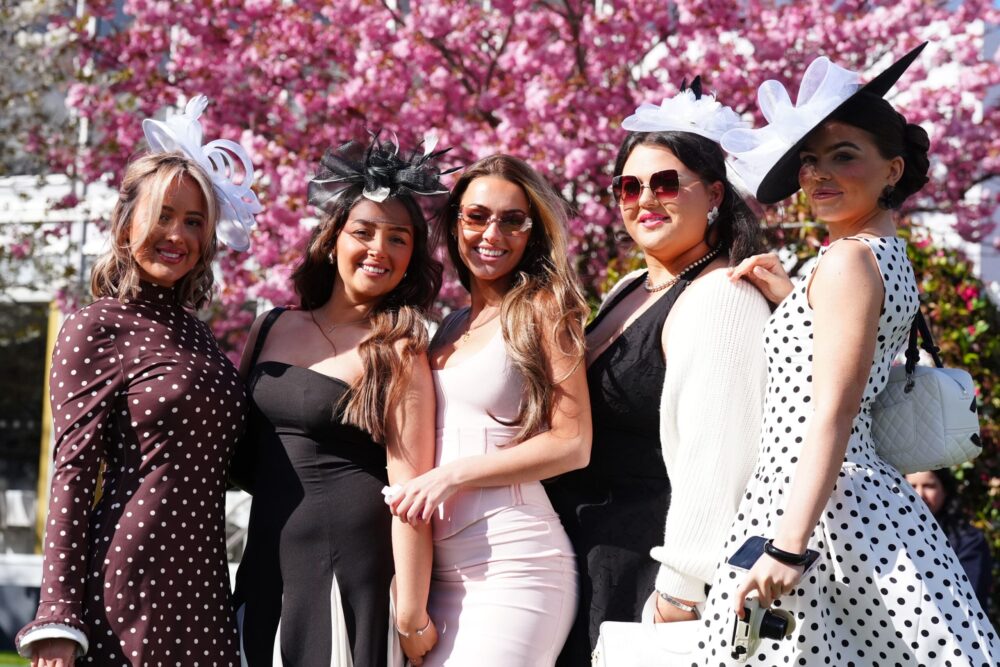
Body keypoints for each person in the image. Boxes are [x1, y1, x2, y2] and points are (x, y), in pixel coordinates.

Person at [701, 44, 1000, 664]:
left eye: (844, 156)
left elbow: (832, 413)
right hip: (846, 504)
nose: (818, 175)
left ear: (892, 170)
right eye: (810, 161)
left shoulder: (848, 261)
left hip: (821, 510)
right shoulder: (874, 256)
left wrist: (788, 545)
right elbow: (839, 355)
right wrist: (790, 297)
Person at [15, 95, 261, 666]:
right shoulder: (96, 326)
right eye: (164, 215)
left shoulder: (201, 337)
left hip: (203, 587)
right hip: (128, 583)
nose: (177, 234)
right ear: (127, 223)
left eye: (194, 221)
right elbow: (72, 471)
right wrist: (57, 614)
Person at [544, 79, 772, 664]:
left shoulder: (722, 294)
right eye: (628, 186)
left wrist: (679, 592)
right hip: (585, 551)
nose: (645, 199)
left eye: (666, 183)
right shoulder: (631, 288)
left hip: (645, 571)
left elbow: (716, 457)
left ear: (715, 193)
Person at [231, 134, 450, 666]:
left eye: (399, 239)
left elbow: (411, 493)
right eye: (364, 232)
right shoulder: (269, 327)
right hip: (265, 560)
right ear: (332, 239)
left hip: (349, 575)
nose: (380, 249)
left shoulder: (400, 348)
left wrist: (411, 615)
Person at [384, 154, 590, 666]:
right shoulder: (449, 325)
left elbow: (573, 443)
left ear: (531, 231)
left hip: (517, 566)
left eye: (512, 220)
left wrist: (452, 476)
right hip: (442, 578)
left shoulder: (543, 307)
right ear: (455, 225)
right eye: (476, 217)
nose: (491, 233)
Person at [906, 469, 993, 610]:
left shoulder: (968, 540)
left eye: (929, 486)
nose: (919, 495)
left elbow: (970, 601)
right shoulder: (888, 534)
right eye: (911, 486)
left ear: (945, 490)